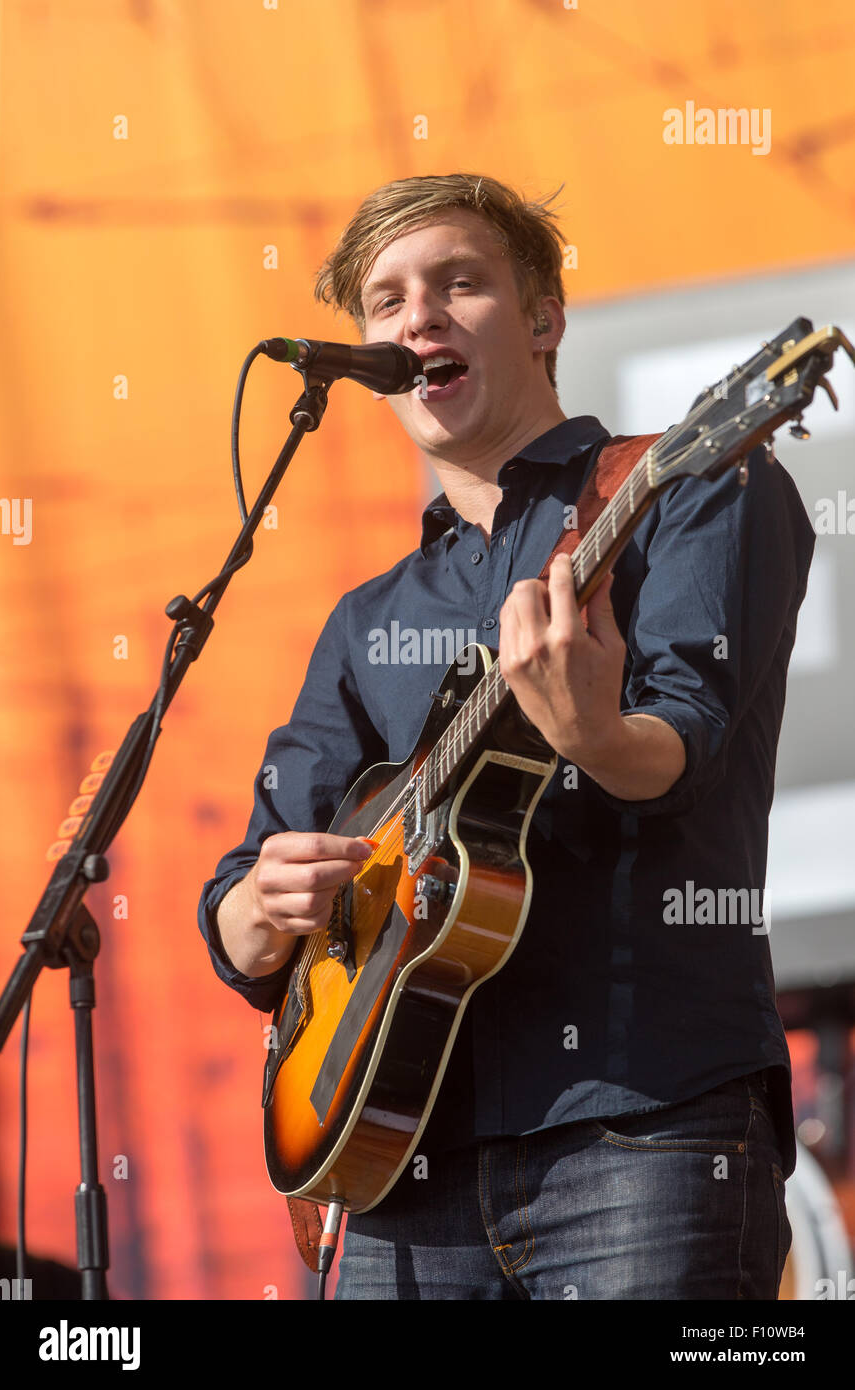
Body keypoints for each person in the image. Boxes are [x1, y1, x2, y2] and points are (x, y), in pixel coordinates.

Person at [197, 173, 815, 1300]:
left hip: (640, 1127)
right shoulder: (367, 619)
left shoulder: (693, 491)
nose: (414, 317)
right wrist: (250, 913)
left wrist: (590, 731)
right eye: (384, 302)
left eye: (457, 282)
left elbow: (682, 743)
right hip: (394, 1167)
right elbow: (254, 885)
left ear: (543, 319)